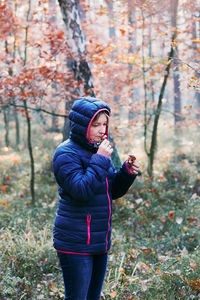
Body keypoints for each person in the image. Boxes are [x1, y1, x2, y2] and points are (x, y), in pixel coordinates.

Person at [52, 97, 139, 300]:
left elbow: (110, 192)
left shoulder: (99, 150)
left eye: (104, 124)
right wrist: (100, 158)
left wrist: (126, 174)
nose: (102, 130)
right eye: (96, 125)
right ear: (83, 126)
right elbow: (82, 190)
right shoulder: (65, 153)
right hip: (75, 243)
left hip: (99, 240)